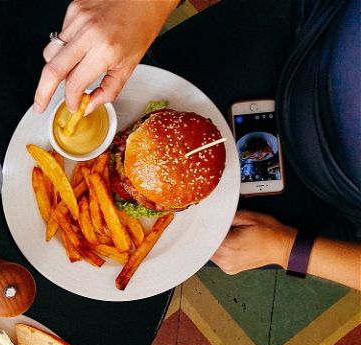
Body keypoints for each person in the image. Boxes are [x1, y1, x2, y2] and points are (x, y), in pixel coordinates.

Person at [32, 0, 361, 291]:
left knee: (202, 245)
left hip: (323, 191)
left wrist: (289, 250)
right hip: (301, 21)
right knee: (146, 61)